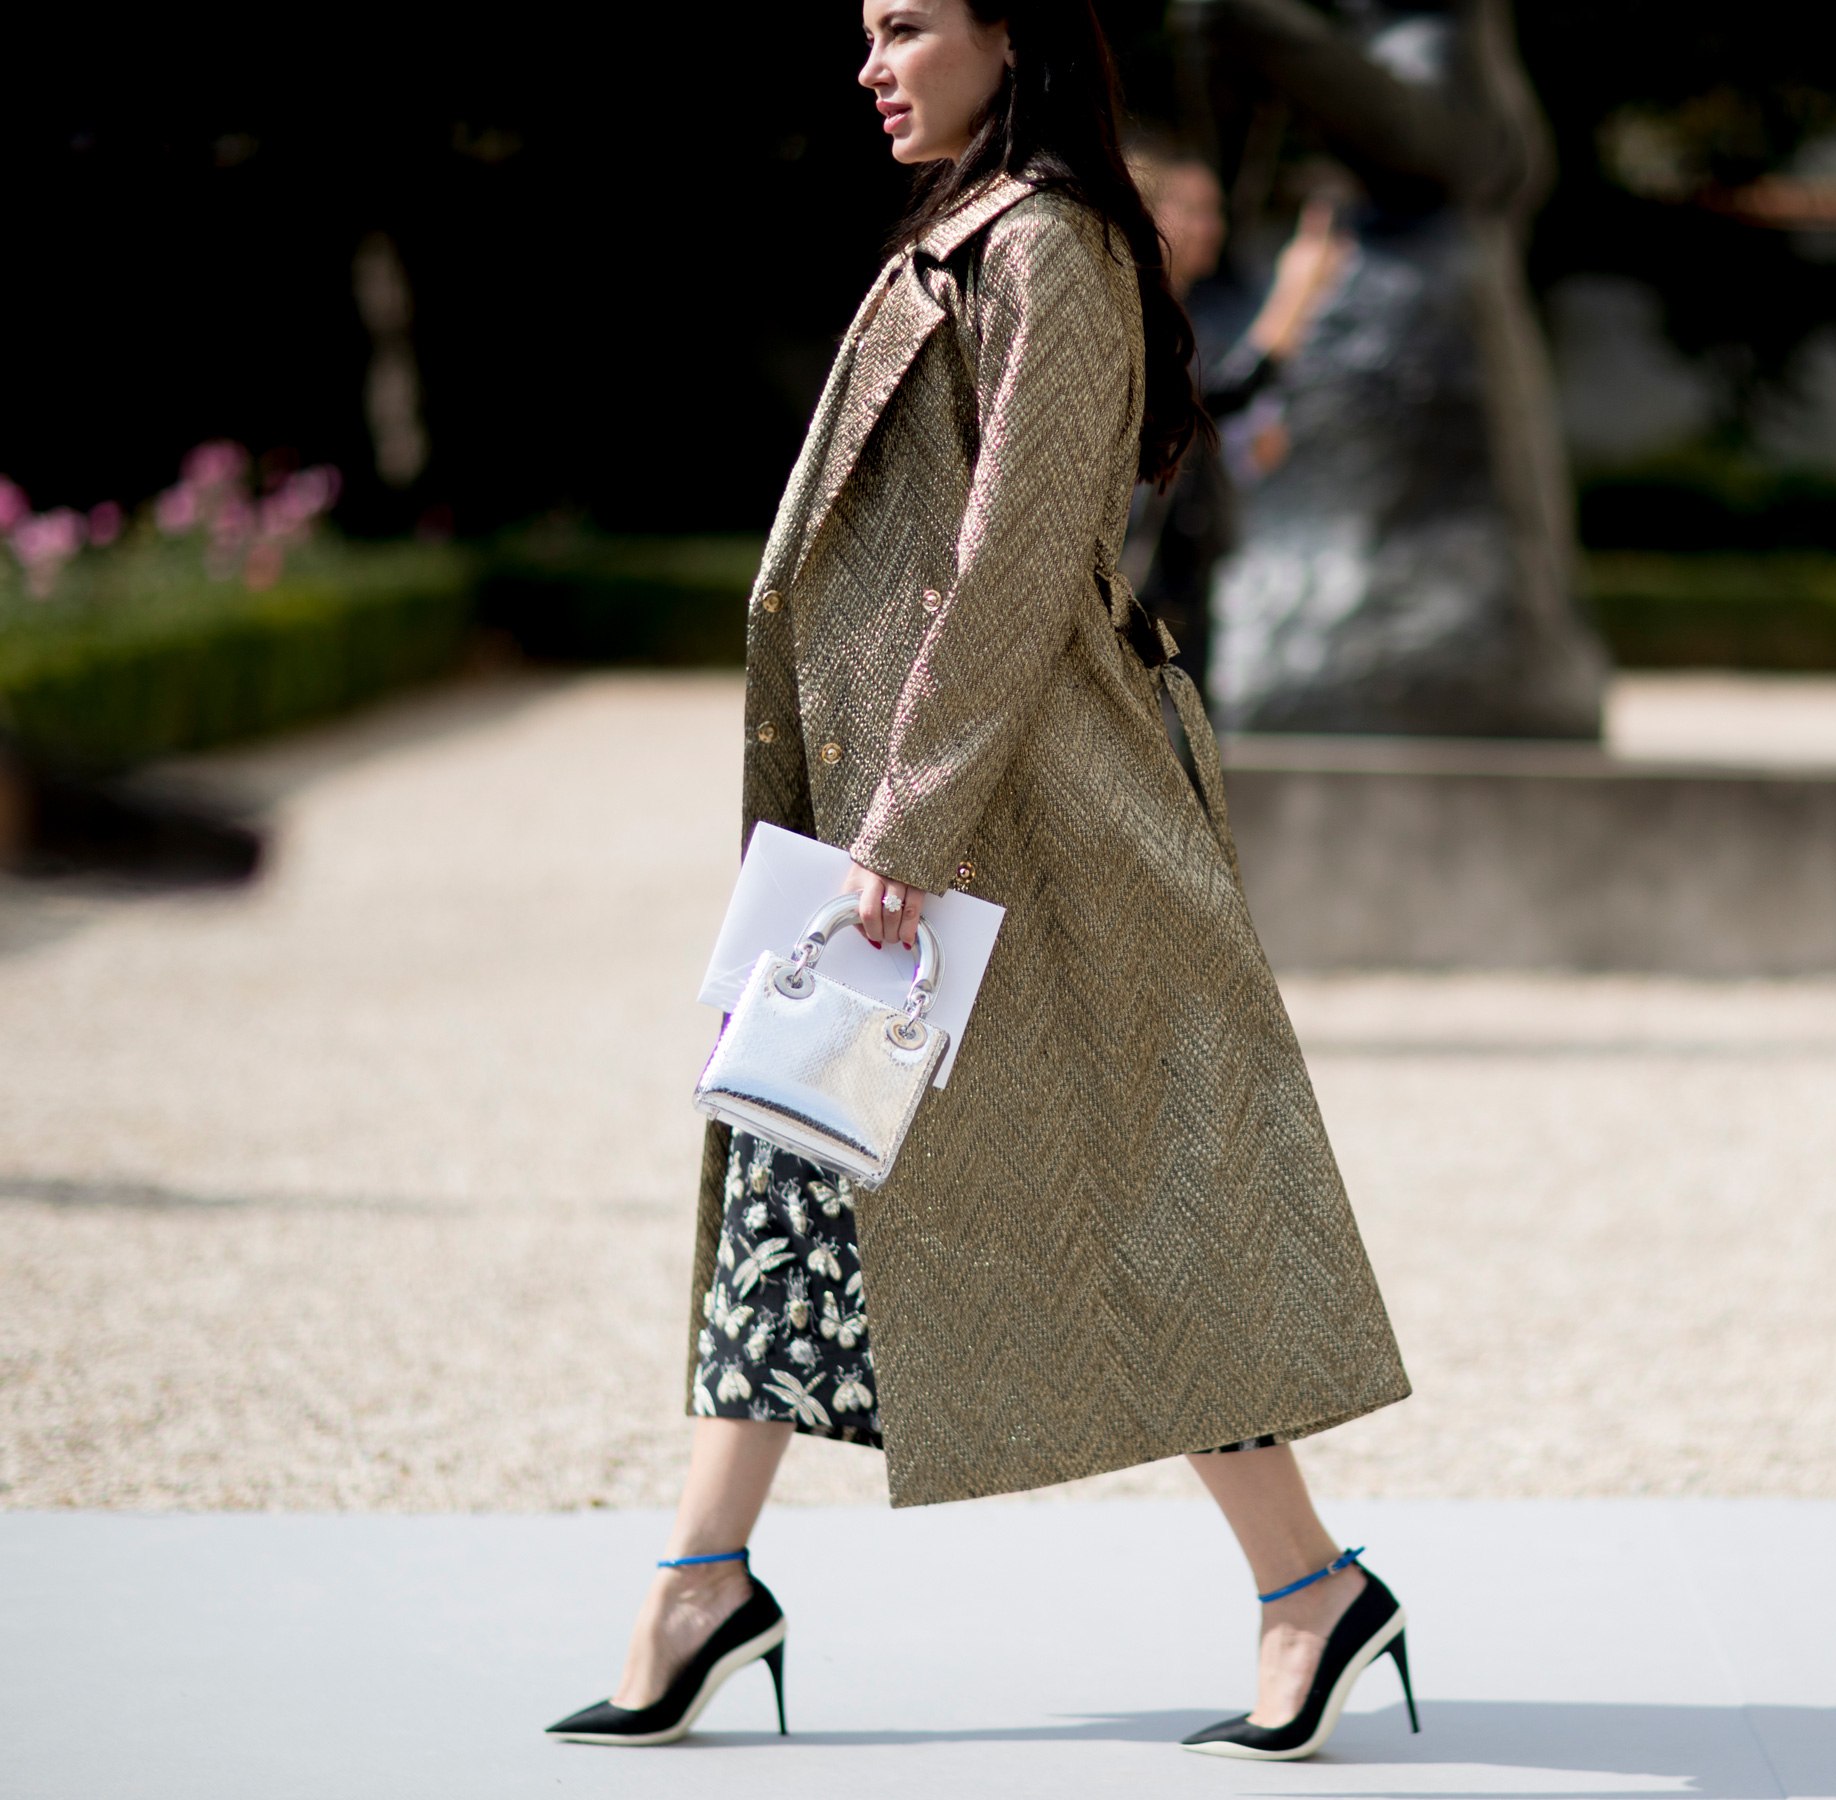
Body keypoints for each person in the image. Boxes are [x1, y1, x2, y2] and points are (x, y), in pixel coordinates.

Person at [545, 0, 1413, 1763]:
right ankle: (700, 1580)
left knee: (1130, 1193)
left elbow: (1016, 556)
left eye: (904, 28)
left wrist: (907, 822)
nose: (870, 66)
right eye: (865, 31)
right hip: (903, 818)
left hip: (1013, 826)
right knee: (792, 1147)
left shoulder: (1052, 249)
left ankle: (1310, 1587)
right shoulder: (971, 234)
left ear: (1007, 35)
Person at [1120, 142, 1349, 694]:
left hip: (1182, 569)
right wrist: (1296, 294)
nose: (1211, 228)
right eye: (1194, 210)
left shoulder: (1179, 313)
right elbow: (1213, 398)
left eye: (1215, 211)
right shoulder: (1128, 311)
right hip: (1144, 580)